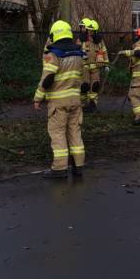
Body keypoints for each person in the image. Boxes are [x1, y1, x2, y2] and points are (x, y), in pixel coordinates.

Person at [33, 20, 88, 179]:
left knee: (57, 134)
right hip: (75, 101)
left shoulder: (54, 54)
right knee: (75, 132)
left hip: (58, 102)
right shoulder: (79, 53)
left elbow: (47, 78)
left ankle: (59, 169)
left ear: (55, 35)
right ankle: (78, 167)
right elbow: (82, 78)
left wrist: (38, 98)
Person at [118, 28, 140, 125]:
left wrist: (125, 52)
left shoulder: (139, 45)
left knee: (133, 95)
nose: (133, 37)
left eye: (135, 35)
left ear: (138, 36)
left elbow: (138, 53)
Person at [78, 18, 109, 112]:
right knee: (84, 86)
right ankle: (81, 105)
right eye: (89, 30)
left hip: (96, 67)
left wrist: (106, 64)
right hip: (85, 67)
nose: (90, 32)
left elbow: (104, 51)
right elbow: (76, 51)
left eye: (92, 30)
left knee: (95, 86)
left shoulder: (99, 41)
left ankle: (92, 104)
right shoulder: (81, 39)